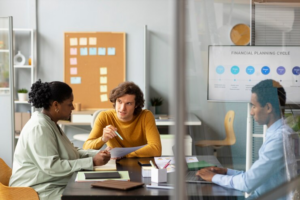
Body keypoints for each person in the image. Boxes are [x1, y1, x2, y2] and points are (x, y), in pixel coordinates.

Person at [9, 80, 111, 200]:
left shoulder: (50, 123)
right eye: (70, 103)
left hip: (50, 183)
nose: (73, 107)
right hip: (35, 189)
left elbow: (70, 152)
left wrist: (98, 154)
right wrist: (92, 162)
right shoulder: (39, 127)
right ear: (56, 105)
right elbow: (52, 167)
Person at [196, 79, 298, 199]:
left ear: (268, 107)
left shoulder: (279, 139)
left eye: (254, 106)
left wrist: (213, 177)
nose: (251, 112)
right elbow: (252, 177)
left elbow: (247, 183)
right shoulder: (277, 133)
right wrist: (225, 172)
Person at [83, 81, 162, 157]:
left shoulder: (145, 116)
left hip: (140, 161)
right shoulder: (104, 116)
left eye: (128, 103)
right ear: (115, 101)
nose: (122, 108)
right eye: (119, 102)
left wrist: (126, 155)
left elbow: (156, 149)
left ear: (136, 105)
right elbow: (86, 148)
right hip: (116, 162)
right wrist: (103, 139)